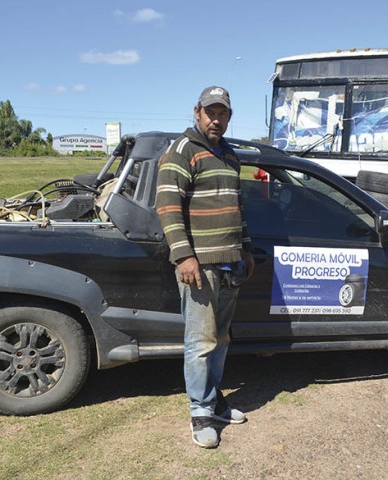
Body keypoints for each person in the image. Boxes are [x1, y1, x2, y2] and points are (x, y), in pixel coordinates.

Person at [155, 85, 255, 448]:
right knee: (201, 341)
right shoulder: (182, 151)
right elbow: (168, 207)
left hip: (230, 263)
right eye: (211, 111)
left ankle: (214, 400)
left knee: (222, 338)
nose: (217, 118)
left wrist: (245, 249)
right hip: (200, 266)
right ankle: (199, 412)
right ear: (196, 111)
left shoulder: (229, 155)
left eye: (223, 112)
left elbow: (237, 206)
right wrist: (184, 256)